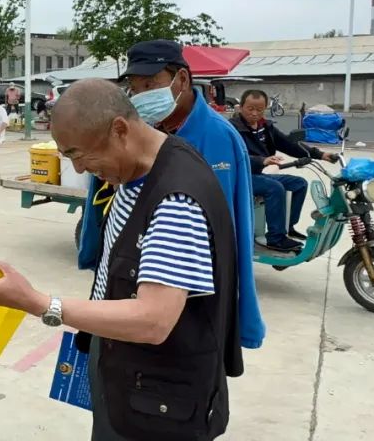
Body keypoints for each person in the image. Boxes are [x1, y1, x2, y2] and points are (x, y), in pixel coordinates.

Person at [0, 79, 241, 441]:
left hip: (159, 407)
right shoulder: (149, 167)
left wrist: (39, 303)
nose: (82, 169)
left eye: (80, 154)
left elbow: (153, 320)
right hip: (129, 382)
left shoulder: (174, 202)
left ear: (119, 129)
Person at [76, 39, 265, 350]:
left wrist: (240, 318)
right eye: (136, 88)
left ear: (182, 79)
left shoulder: (217, 137)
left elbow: (227, 228)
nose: (143, 96)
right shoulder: (135, 130)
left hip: (185, 292)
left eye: (151, 84)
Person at [232, 89, 338, 252]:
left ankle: (288, 226)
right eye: (250, 109)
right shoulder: (232, 129)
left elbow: (289, 144)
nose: (254, 113)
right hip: (239, 177)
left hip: (257, 174)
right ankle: (276, 238)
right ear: (241, 108)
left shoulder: (265, 127)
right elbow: (233, 156)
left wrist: (320, 154)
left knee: (299, 184)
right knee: (274, 188)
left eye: (259, 109)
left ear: (266, 108)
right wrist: (262, 160)